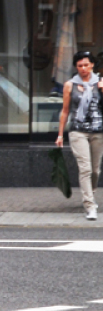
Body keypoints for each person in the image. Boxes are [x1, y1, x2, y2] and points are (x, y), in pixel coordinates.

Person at [55, 50, 103, 220]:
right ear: (76, 67)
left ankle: (91, 193)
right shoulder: (70, 85)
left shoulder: (101, 82)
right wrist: (60, 134)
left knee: (95, 171)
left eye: (86, 65)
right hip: (77, 131)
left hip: (98, 131)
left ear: (92, 65)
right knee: (85, 168)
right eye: (80, 65)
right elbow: (65, 110)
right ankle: (89, 205)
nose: (83, 68)